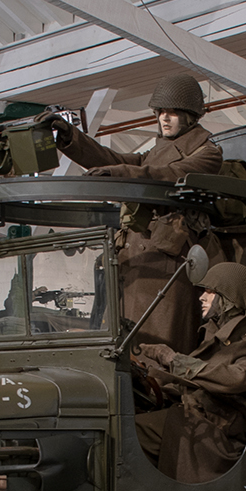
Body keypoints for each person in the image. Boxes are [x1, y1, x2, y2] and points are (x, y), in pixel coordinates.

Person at [43, 73, 223, 354]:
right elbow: (113, 159)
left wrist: (119, 173)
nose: (165, 118)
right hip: (137, 262)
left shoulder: (207, 153)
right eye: (161, 111)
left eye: (173, 112)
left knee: (158, 348)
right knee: (126, 344)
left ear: (191, 115)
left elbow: (168, 174)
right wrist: (71, 137)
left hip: (168, 266)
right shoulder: (155, 152)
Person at [130, 262, 246, 483]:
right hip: (192, 425)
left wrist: (173, 359)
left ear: (229, 298)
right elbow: (188, 387)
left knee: (128, 437)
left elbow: (235, 380)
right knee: (125, 426)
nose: (202, 297)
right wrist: (148, 383)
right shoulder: (210, 341)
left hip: (215, 438)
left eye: (210, 291)